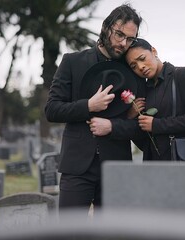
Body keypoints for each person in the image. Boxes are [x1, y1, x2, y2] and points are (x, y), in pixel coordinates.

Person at [44, 4, 142, 212]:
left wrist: (112, 126)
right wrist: (88, 105)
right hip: (77, 166)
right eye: (119, 34)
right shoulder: (72, 61)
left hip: (117, 167)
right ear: (106, 28)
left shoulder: (132, 69)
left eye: (130, 39)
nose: (124, 43)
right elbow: (52, 109)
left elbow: (139, 123)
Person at [125, 38, 185, 160]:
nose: (140, 67)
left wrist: (156, 125)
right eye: (134, 66)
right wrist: (131, 117)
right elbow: (145, 141)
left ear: (154, 51)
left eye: (142, 59)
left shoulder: (182, 75)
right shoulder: (144, 91)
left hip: (184, 162)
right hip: (153, 167)